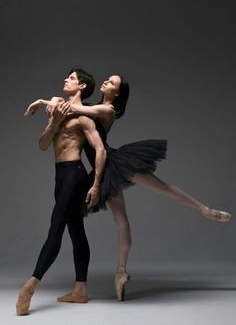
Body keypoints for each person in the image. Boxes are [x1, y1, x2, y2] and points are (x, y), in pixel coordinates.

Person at [25, 74, 231, 301]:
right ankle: (121, 272)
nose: (106, 82)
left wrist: (48, 102)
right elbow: (73, 109)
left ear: (117, 94)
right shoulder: (92, 105)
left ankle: (203, 209)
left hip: (114, 162)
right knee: (120, 219)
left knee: (163, 188)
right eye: (107, 80)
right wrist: (51, 101)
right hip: (101, 171)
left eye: (112, 83)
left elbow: (77, 111)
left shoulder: (108, 111)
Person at [16, 67, 107, 315]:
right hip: (60, 175)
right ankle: (80, 290)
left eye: (73, 78)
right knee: (76, 231)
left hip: (75, 175)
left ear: (82, 87)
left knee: (56, 227)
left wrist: (96, 184)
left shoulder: (84, 117)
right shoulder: (56, 110)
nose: (67, 79)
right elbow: (43, 145)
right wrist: (54, 121)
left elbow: (100, 150)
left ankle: (30, 286)